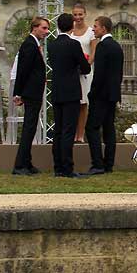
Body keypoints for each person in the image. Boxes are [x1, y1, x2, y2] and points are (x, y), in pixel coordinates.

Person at [48, 13, 91, 178]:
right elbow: (85, 67)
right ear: (72, 26)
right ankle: (67, 167)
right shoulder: (74, 44)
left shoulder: (52, 45)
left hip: (57, 90)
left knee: (58, 130)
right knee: (68, 130)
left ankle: (57, 166)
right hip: (71, 91)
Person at [84, 16, 123, 175]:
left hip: (100, 95)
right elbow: (118, 74)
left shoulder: (102, 47)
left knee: (91, 128)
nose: (93, 29)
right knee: (109, 129)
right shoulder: (117, 47)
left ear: (104, 29)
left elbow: (99, 74)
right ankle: (108, 164)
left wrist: (92, 93)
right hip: (112, 95)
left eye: (96, 26)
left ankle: (97, 164)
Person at [11, 16, 50, 175]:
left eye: (47, 28)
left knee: (31, 127)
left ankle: (26, 162)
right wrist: (18, 93)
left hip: (33, 91)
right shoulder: (29, 45)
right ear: (35, 28)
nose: (47, 32)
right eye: (44, 28)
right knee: (29, 127)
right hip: (30, 92)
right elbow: (23, 70)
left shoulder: (33, 44)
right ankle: (20, 165)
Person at [69, 3, 97, 143]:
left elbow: (93, 53)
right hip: (71, 73)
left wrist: (85, 67)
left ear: (85, 14)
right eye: (75, 14)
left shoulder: (91, 32)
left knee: (83, 103)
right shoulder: (70, 32)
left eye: (80, 14)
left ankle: (80, 135)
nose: (78, 17)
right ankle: (71, 133)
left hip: (85, 73)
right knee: (72, 103)